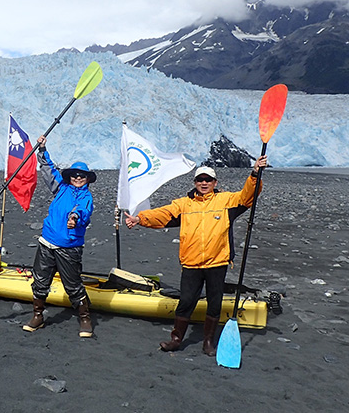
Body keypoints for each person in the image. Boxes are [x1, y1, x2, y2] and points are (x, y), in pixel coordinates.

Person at [124, 156, 268, 355]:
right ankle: (176, 339)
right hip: (191, 263)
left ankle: (208, 342)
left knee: (214, 303)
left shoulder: (226, 200)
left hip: (217, 262)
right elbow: (163, 214)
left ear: (215, 183)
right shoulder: (184, 204)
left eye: (208, 180)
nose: (204, 183)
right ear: (195, 183)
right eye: (200, 180)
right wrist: (140, 218)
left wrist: (254, 174)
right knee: (186, 302)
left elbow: (248, 196)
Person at [23, 135, 96, 338]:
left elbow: (83, 211)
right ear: (70, 177)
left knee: (72, 285)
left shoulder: (86, 197)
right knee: (40, 281)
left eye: (82, 176)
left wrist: (74, 217)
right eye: (75, 175)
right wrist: (42, 150)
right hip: (47, 242)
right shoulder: (61, 187)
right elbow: (48, 170)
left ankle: (85, 319)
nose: (78, 178)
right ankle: (38, 316)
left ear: (88, 179)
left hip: (69, 247)